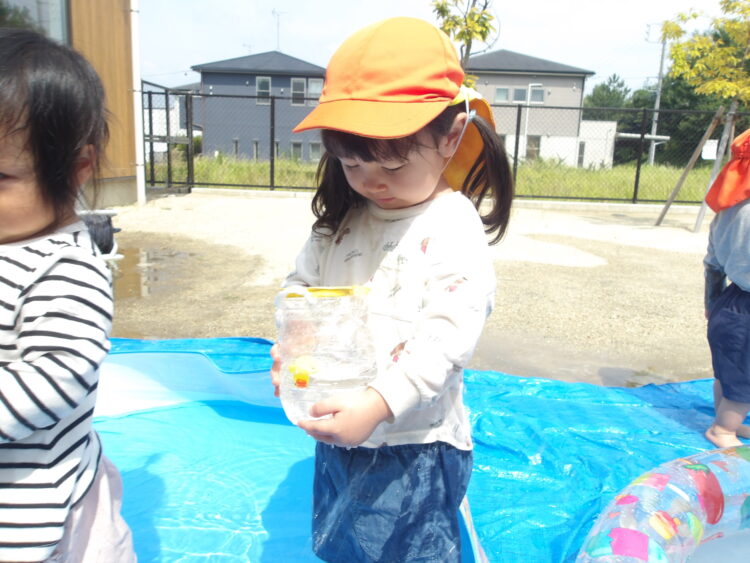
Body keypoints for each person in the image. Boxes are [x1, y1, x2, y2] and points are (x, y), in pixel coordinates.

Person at [270, 17, 514, 561]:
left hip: (413, 442)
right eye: (351, 163)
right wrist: (293, 343)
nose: (370, 181)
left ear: (450, 138)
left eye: (394, 164)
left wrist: (380, 403)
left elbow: (448, 335)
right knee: (346, 541)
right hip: (341, 425)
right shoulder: (339, 222)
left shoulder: (451, 225)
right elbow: (299, 288)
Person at [0, 28, 135, 561]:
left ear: (77, 168)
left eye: (0, 176)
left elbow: (58, 372)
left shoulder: (65, 266)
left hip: (32, 512)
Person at [703, 127, 750, 449]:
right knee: (743, 376)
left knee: (729, 370)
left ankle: (725, 419)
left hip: (730, 301)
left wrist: (711, 303)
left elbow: (713, 264)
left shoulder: (728, 210)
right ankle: (722, 429)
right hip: (745, 310)